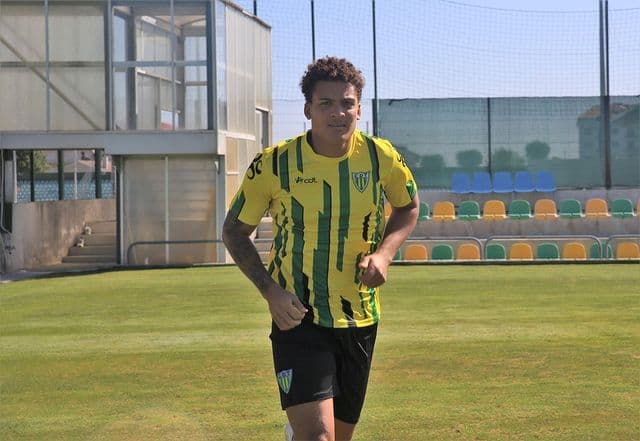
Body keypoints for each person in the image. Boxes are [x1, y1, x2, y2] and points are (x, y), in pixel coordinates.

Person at [222, 56, 419, 441]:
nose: (338, 112)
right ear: (308, 109)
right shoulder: (275, 164)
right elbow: (234, 230)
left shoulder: (381, 156)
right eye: (325, 104)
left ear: (359, 108)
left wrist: (385, 254)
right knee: (319, 438)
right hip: (298, 316)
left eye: (347, 103)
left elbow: (408, 206)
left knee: (339, 437)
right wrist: (271, 293)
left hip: (359, 316)